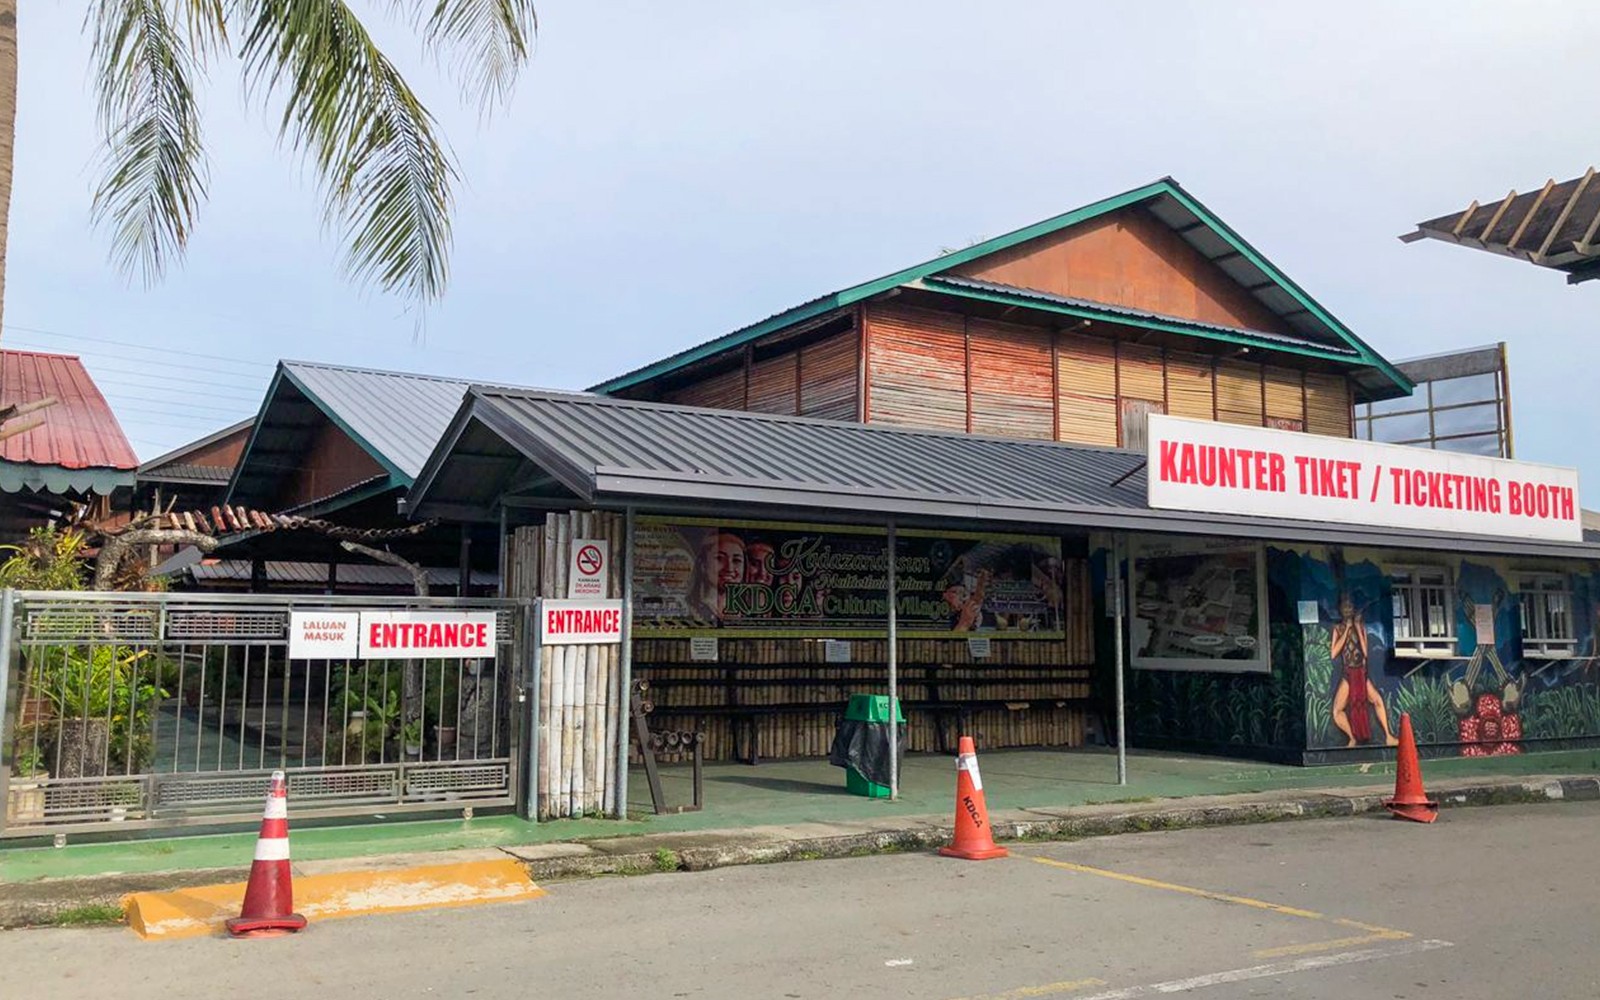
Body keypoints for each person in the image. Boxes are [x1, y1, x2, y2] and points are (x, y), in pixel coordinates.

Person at [1330, 595, 1398, 748]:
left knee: (1377, 700)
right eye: (1345, 607)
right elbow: (1334, 653)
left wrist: (1357, 628)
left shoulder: (1360, 626)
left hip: (1361, 672)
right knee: (1337, 710)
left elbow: (1366, 652)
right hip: (1347, 673)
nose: (1348, 609)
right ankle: (1352, 736)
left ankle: (1388, 736)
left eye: (1350, 606)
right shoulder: (1338, 628)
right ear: (1340, 610)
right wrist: (1347, 629)